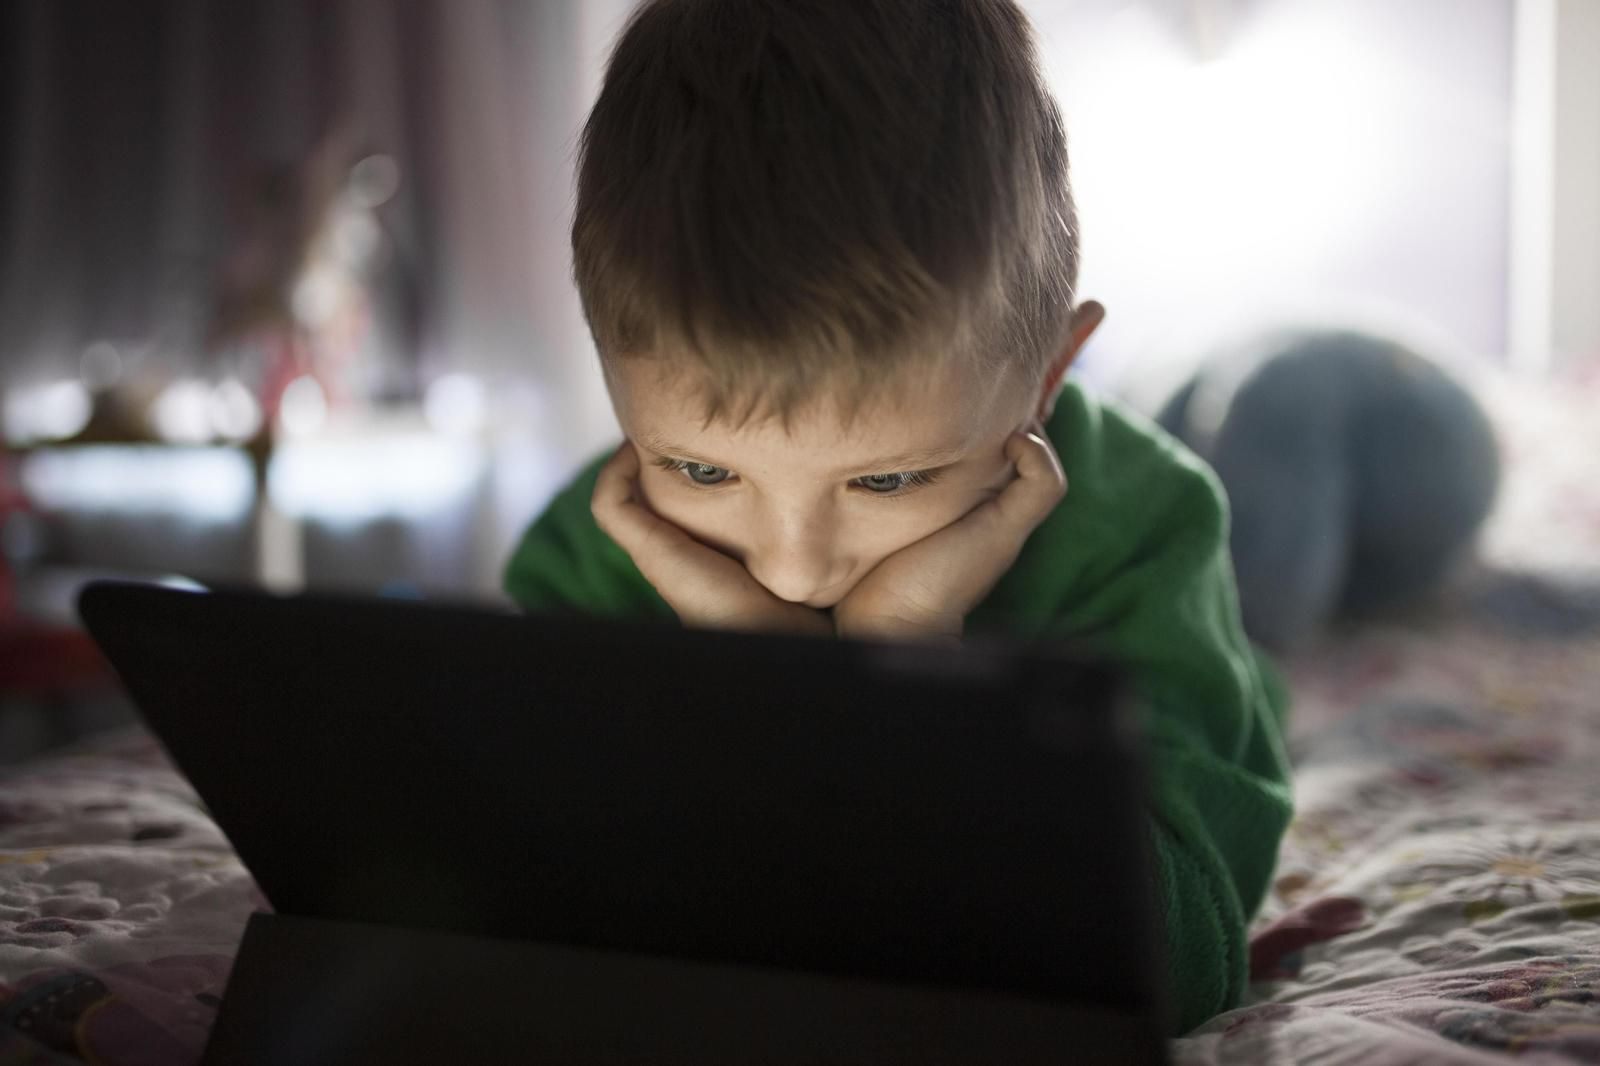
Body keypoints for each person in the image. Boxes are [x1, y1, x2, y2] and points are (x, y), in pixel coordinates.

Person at [502, 0, 1291, 1035]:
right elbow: (534, 901)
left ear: (1048, 374)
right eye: (700, 466)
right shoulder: (595, 542)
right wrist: (767, 681)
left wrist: (907, 679)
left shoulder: (1144, 528)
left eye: (885, 482)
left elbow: (1177, 969)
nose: (792, 574)